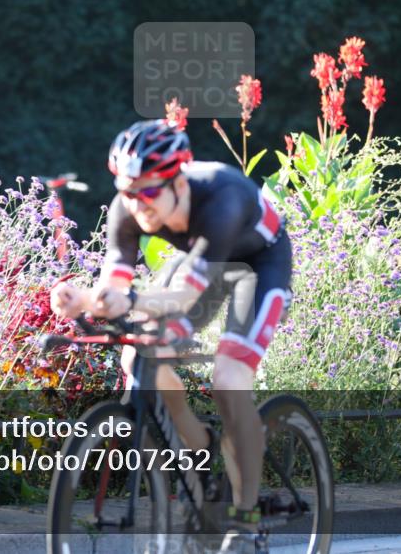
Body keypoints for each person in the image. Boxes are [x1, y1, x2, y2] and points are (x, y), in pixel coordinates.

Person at [49, 119, 293, 553]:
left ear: (177, 181)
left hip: (258, 266)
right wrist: (81, 299)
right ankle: (198, 447)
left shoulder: (221, 198)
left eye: (147, 191)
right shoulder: (127, 207)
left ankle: (246, 518)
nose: (136, 203)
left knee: (229, 380)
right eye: (128, 191)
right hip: (202, 264)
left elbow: (182, 297)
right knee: (136, 356)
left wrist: (128, 299)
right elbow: (113, 289)